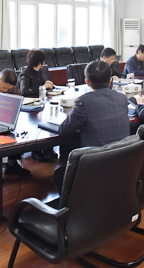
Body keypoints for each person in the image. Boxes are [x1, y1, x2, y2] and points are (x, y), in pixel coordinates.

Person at [53, 60, 130, 192]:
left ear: (87, 82)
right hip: (123, 162)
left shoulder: (84, 101)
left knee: (59, 175)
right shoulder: (122, 98)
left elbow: (64, 130)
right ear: (110, 81)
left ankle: (76, 204)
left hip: (96, 165)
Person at [18, 49, 57, 162]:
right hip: (28, 108)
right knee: (36, 125)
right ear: (40, 63)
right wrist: (43, 87)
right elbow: (24, 91)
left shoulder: (38, 72)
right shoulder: (25, 73)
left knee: (48, 121)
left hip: (39, 103)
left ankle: (48, 147)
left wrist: (48, 85)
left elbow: (42, 84)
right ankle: (36, 150)